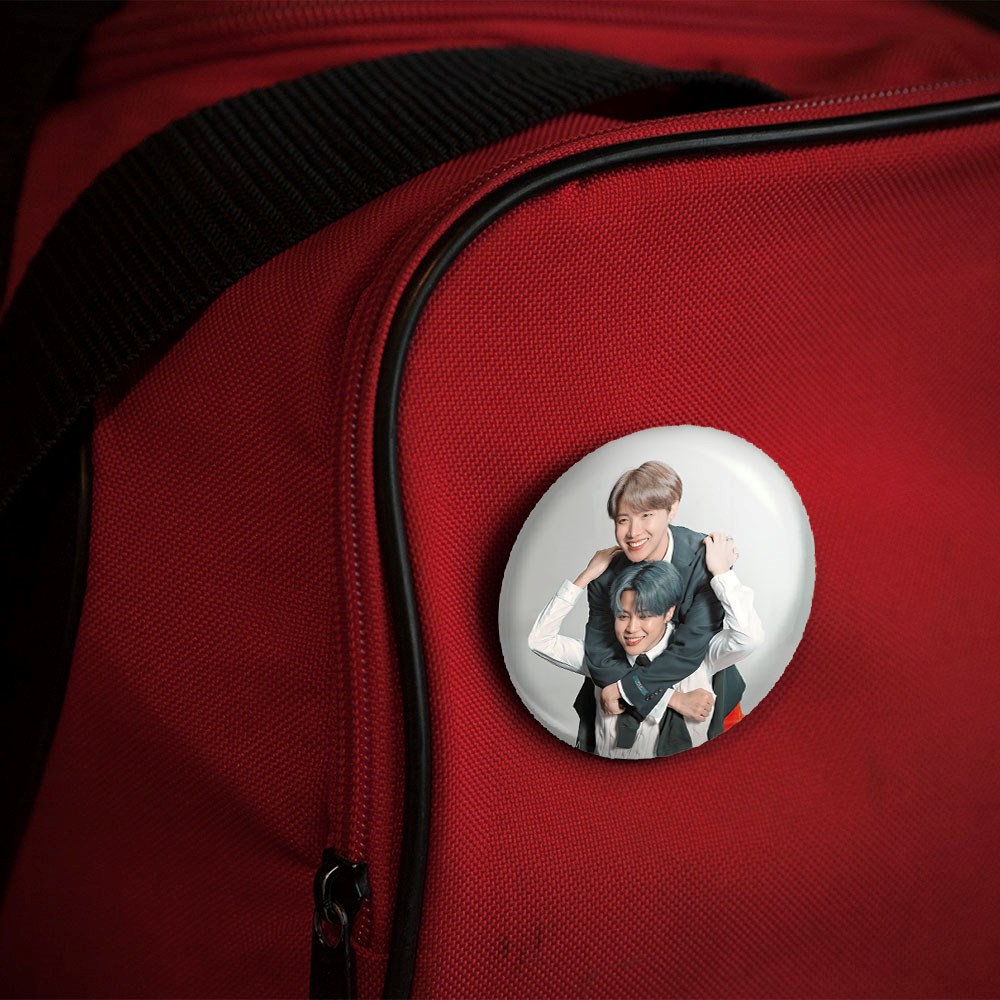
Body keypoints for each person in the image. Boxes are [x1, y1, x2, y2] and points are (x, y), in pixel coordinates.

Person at [528, 537, 763, 759]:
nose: (631, 628)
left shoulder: (698, 655)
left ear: (668, 613)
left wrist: (721, 573)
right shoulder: (601, 660)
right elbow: (540, 640)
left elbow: (748, 637)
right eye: (623, 616)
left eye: (645, 616)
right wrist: (585, 577)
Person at [579, 460, 747, 753]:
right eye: (623, 519)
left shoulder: (704, 560)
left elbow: (691, 646)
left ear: (672, 509)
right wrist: (665, 698)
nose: (634, 532)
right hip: (618, 693)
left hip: (701, 689)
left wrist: (630, 690)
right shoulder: (605, 573)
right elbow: (600, 648)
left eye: (646, 515)